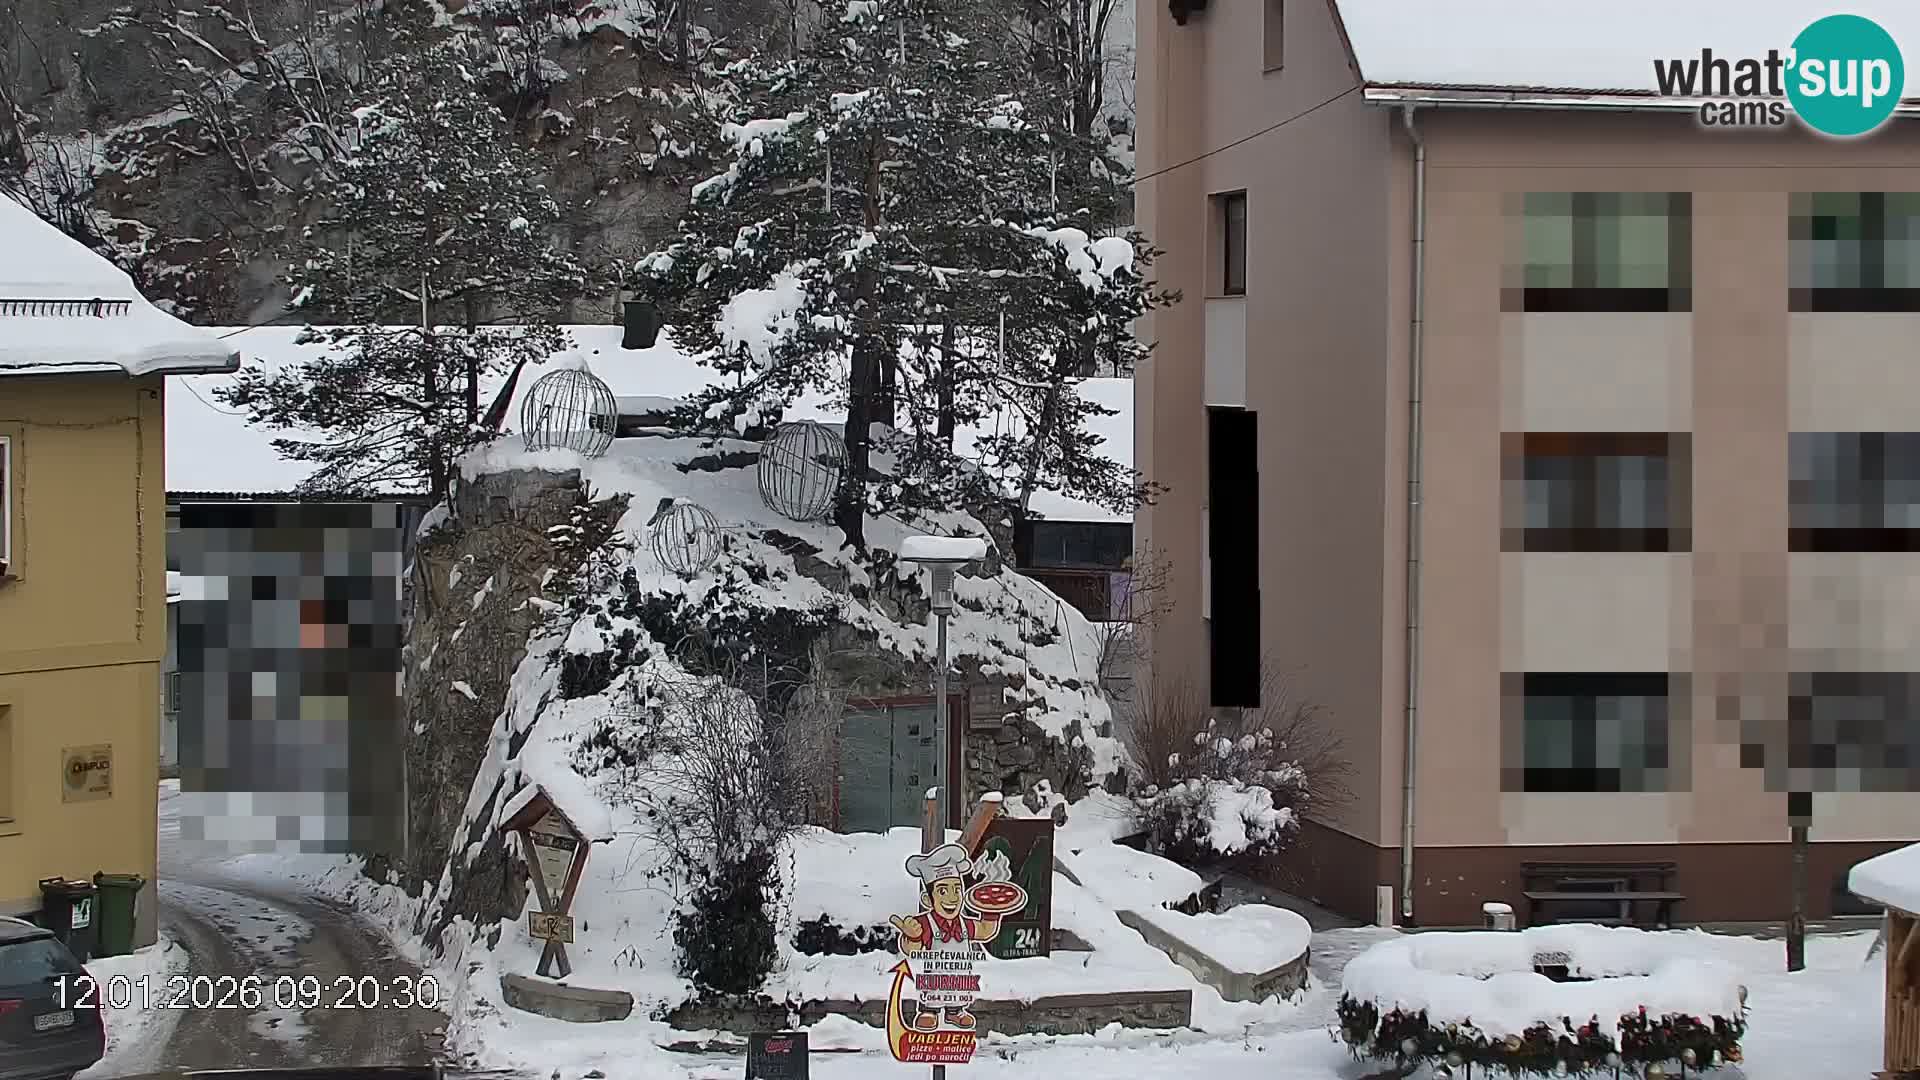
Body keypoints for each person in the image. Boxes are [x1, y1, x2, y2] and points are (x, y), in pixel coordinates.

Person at [890, 842, 1002, 1031]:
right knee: (933, 992)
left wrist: (993, 911)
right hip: (934, 980)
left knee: (958, 990)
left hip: (959, 979)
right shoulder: (925, 923)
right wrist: (913, 936)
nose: (952, 898)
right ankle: (929, 1011)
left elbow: (984, 931)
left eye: (957, 889)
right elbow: (912, 950)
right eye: (943, 891)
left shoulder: (965, 924)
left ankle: (955, 1012)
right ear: (927, 899)